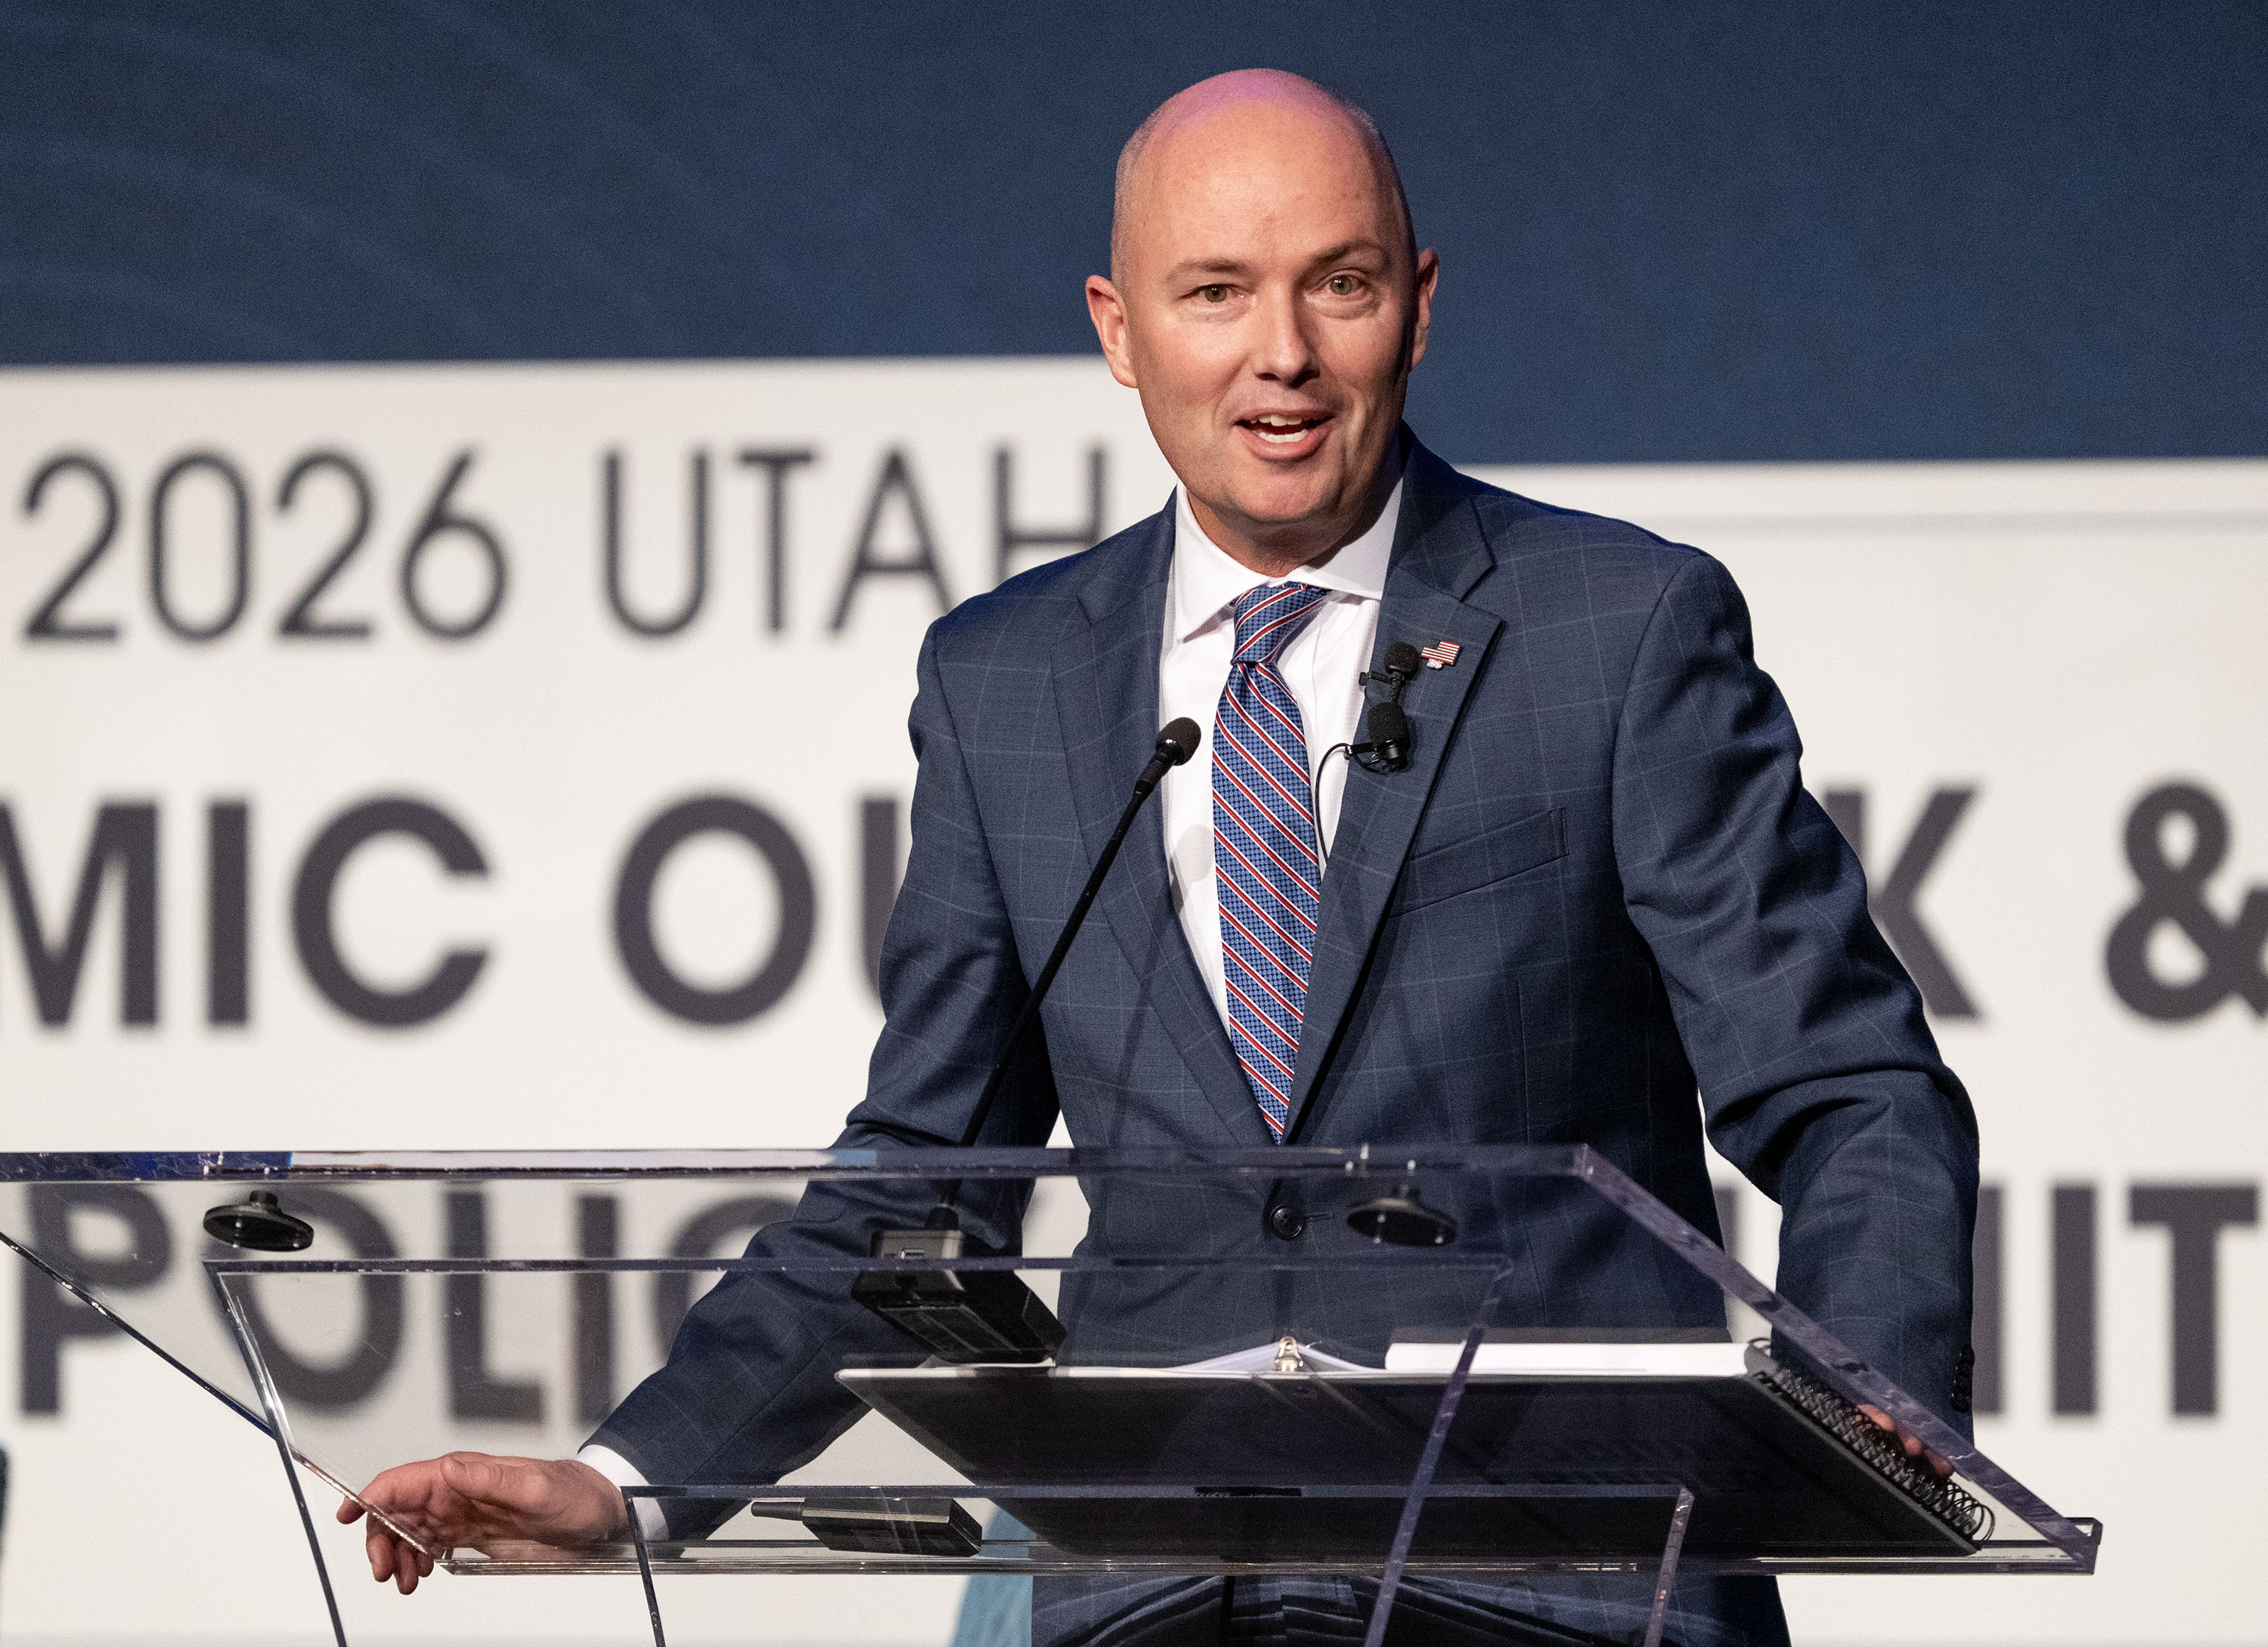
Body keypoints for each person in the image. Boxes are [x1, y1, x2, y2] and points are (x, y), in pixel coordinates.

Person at [344, 70, 1977, 1645]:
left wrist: (1868, 1386)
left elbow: (1853, 1086)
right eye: (1215, 294)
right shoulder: (1007, 682)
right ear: (1118, 330)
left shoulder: (1615, 631)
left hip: (1565, 1585)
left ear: (1417, 303)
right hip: (1161, 1592)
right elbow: (918, 1190)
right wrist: (630, 1480)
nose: (1284, 355)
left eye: (1339, 285)